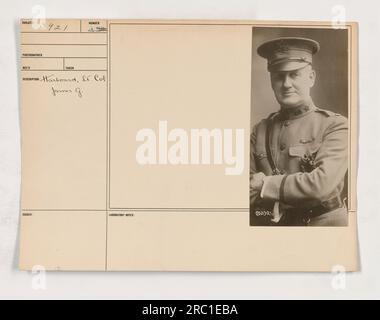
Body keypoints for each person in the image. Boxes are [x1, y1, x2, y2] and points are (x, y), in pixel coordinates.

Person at [250, 37, 348, 226]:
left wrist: (265, 185)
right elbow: (241, 190)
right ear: (271, 81)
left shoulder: (336, 125)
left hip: (325, 229)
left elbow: (320, 185)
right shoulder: (260, 131)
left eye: (294, 74)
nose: (286, 84)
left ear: (311, 77)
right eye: (279, 76)